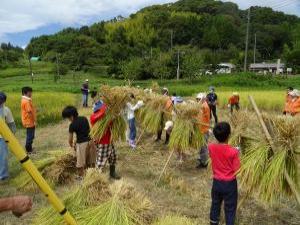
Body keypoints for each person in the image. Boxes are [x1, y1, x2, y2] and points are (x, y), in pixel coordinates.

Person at [208, 122, 240, 225]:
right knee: (230, 208)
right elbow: (237, 169)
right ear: (229, 135)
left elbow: (217, 152)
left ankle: (213, 222)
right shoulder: (233, 152)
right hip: (229, 184)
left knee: (215, 204)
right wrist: (237, 153)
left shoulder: (211, 147)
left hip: (216, 183)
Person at [62, 106, 96, 179]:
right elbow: (88, 130)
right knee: (91, 160)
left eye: (68, 118)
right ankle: (93, 174)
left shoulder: (72, 125)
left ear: (71, 116)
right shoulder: (84, 118)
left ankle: (81, 176)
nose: (68, 120)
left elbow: (70, 140)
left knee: (80, 163)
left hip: (81, 144)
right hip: (90, 142)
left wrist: (72, 145)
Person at [90, 101, 121, 179]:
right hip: (103, 142)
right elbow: (102, 115)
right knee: (101, 160)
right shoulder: (94, 117)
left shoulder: (106, 116)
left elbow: (113, 121)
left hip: (109, 140)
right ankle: (96, 178)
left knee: (113, 157)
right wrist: (109, 110)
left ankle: (112, 173)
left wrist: (115, 113)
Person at [0, 92, 16, 181]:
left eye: (2, 101)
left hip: (2, 137)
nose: (1, 103)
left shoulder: (6, 110)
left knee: (3, 156)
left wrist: (12, 136)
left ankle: (3, 176)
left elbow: (11, 124)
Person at [195, 93, 211, 169]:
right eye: (197, 99)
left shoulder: (204, 106)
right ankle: (203, 159)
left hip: (204, 129)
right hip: (201, 129)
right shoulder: (202, 105)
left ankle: (204, 163)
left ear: (202, 99)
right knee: (201, 146)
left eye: (198, 99)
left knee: (203, 146)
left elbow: (202, 117)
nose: (197, 101)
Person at [21, 87, 36, 154]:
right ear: (25, 93)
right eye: (30, 92)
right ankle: (29, 150)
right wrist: (34, 121)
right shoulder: (26, 101)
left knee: (30, 135)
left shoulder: (25, 100)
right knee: (30, 136)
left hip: (28, 121)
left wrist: (35, 110)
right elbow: (29, 112)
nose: (31, 93)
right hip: (29, 121)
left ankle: (29, 148)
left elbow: (30, 110)